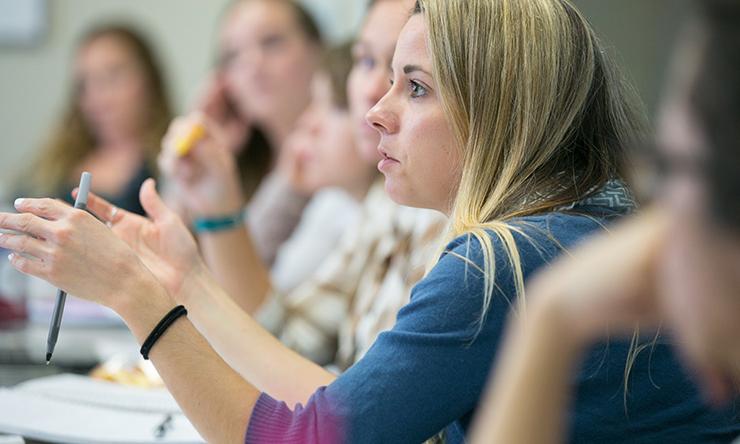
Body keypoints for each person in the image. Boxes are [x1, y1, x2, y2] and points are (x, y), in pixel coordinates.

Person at [6, 0, 729, 442]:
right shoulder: (563, 230)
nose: (377, 111)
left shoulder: (501, 260)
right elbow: (342, 412)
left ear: (502, 113)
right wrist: (185, 281)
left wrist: (140, 300)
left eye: (413, 87)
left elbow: (304, 441)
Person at [468, 2, 740, 442]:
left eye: (666, 168)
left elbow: (320, 429)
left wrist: (548, 321)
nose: (375, 109)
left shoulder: (496, 257)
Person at [163, 0, 324, 267]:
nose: (252, 65)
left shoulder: (343, 155)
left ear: (317, 50)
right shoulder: (243, 159)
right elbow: (162, 253)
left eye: (271, 43)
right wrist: (194, 142)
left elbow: (242, 274)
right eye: (233, 56)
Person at [14, 24, 172, 215]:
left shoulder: (171, 168)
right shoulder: (56, 163)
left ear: (149, 80)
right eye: (85, 84)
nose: (98, 97)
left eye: (112, 77)